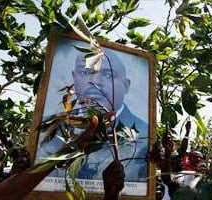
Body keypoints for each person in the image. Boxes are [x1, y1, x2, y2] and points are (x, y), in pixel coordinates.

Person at [36, 49, 148, 184]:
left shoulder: (145, 134)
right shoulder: (45, 128)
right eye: (84, 72)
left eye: (108, 75)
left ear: (126, 86)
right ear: (74, 78)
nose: (95, 82)